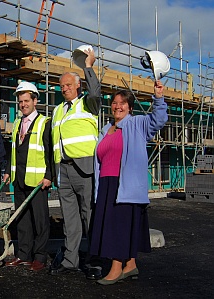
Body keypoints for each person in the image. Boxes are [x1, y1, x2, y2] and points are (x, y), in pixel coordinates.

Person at [90, 80, 168, 285]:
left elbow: (158, 120)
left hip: (125, 184)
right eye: (115, 103)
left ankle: (116, 268)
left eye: (123, 103)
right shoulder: (106, 129)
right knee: (122, 226)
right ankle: (131, 264)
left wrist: (158, 98)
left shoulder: (137, 124)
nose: (118, 106)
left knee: (118, 226)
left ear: (130, 108)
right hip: (107, 184)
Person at [50, 48, 102, 279]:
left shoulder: (88, 104)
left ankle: (95, 260)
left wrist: (88, 67)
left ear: (78, 85)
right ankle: (71, 260)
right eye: (62, 86)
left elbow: (96, 91)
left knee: (89, 216)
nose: (64, 88)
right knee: (69, 219)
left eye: (69, 85)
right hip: (64, 170)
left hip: (85, 168)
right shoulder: (58, 110)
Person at [3, 82, 52, 272]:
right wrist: (8, 170)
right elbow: (13, 151)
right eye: (20, 101)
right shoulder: (17, 123)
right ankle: (23, 255)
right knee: (21, 219)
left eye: (26, 101)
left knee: (40, 220)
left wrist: (49, 176)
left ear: (35, 101)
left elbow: (50, 152)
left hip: (39, 181)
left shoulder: (44, 123)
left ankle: (40, 256)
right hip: (19, 179)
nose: (23, 104)